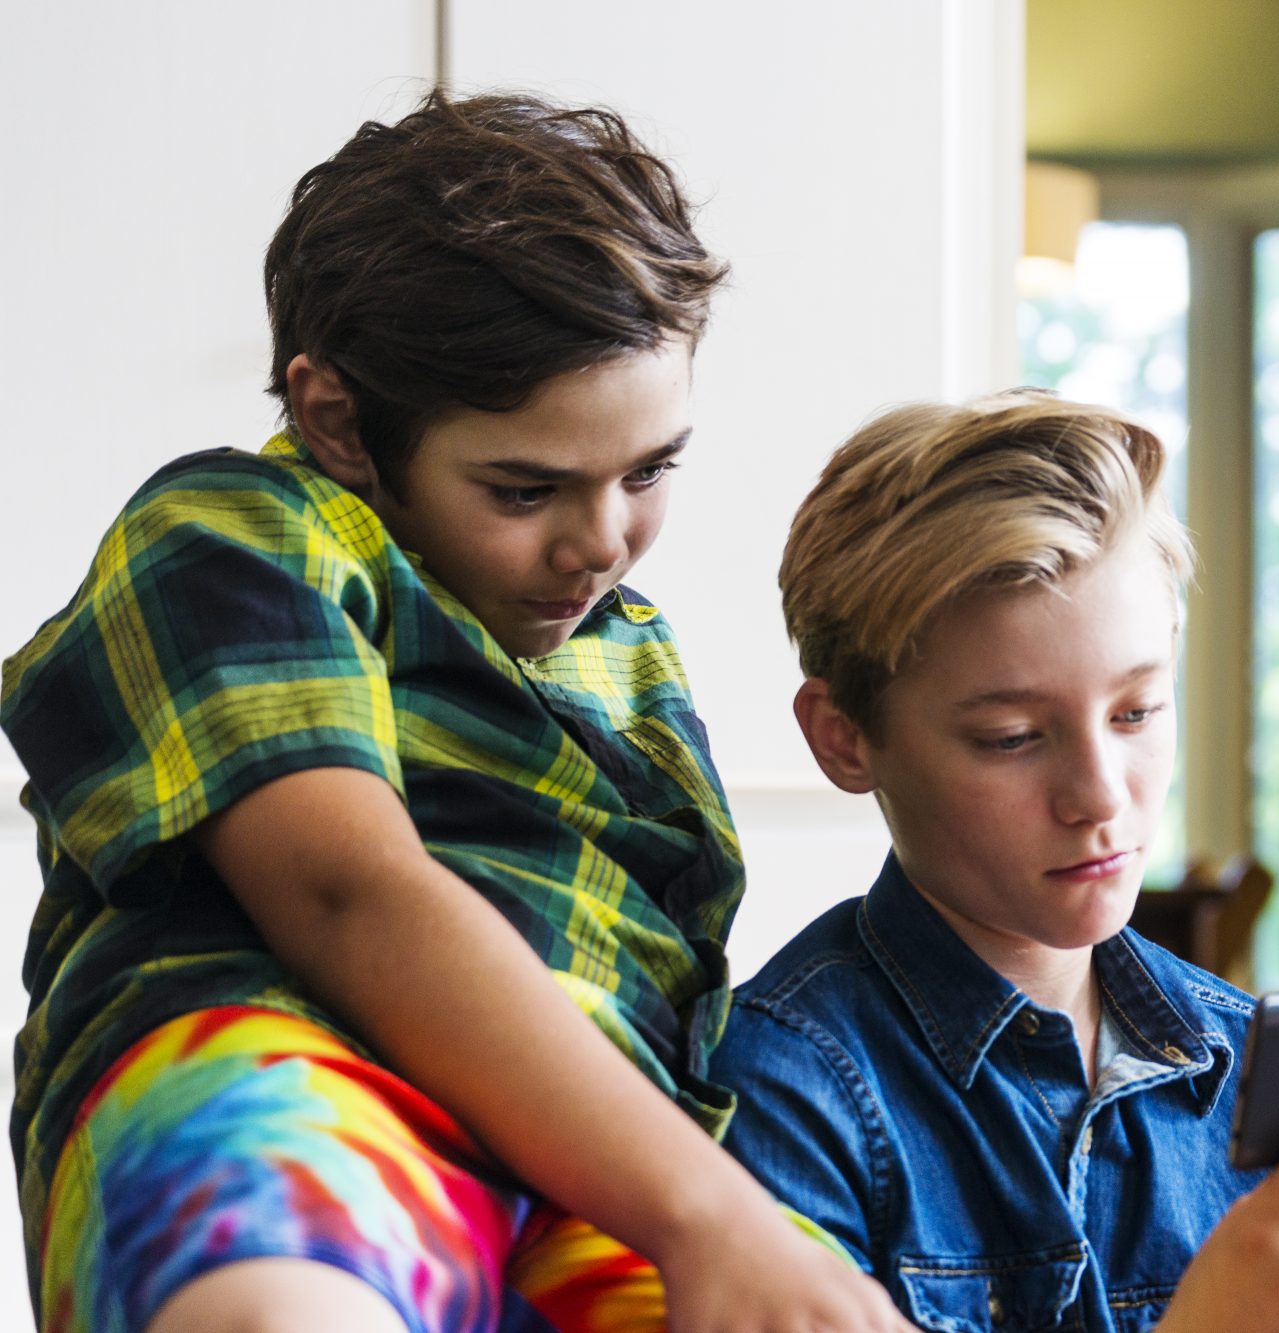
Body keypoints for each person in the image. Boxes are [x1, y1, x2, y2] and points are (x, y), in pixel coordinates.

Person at [0, 92, 912, 1333]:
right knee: (284, 1313)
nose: (601, 544)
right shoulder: (235, 535)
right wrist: (711, 1212)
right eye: (526, 486)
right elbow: (344, 892)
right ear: (338, 420)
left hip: (589, 1150)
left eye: (648, 472)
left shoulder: (631, 658)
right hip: (280, 1059)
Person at [711, 393, 1279, 1333]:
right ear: (844, 738)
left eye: (1135, 713)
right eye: (1012, 736)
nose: (1102, 795)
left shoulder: (1253, 1068)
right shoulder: (781, 1095)